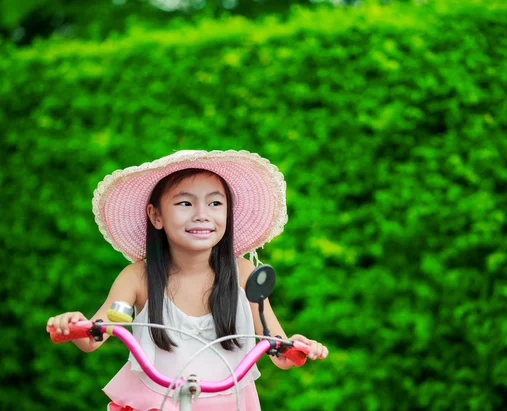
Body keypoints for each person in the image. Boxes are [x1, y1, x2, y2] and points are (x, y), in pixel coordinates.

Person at [46, 150, 328, 411]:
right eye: (185, 203)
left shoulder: (242, 274)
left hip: (230, 403)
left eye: (215, 203)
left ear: (227, 213)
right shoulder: (137, 278)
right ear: (156, 215)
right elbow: (96, 335)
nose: (202, 215)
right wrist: (74, 327)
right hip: (156, 402)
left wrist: (296, 347)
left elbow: (276, 347)